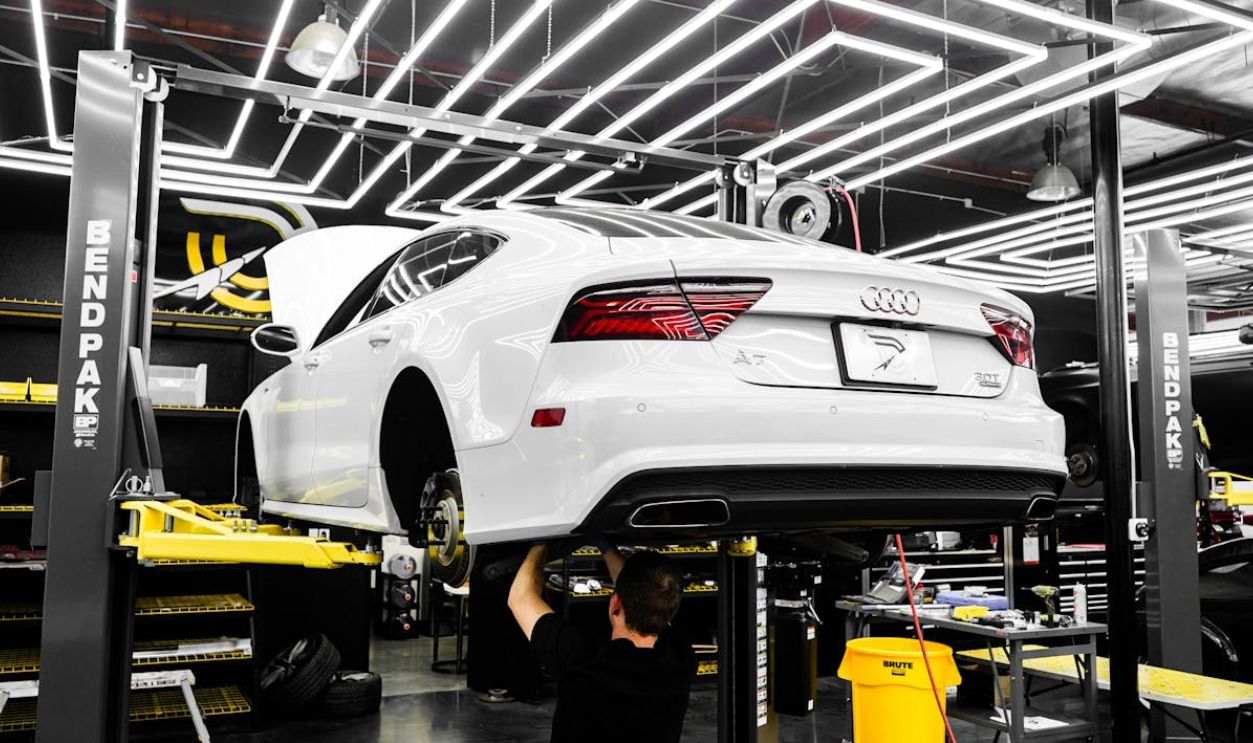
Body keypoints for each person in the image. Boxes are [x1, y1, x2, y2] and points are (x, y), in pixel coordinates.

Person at [508, 543, 694, 743]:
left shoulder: (584, 658)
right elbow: (646, 596)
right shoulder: (681, 658)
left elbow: (520, 597)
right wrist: (605, 546)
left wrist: (541, 542)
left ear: (615, 603)